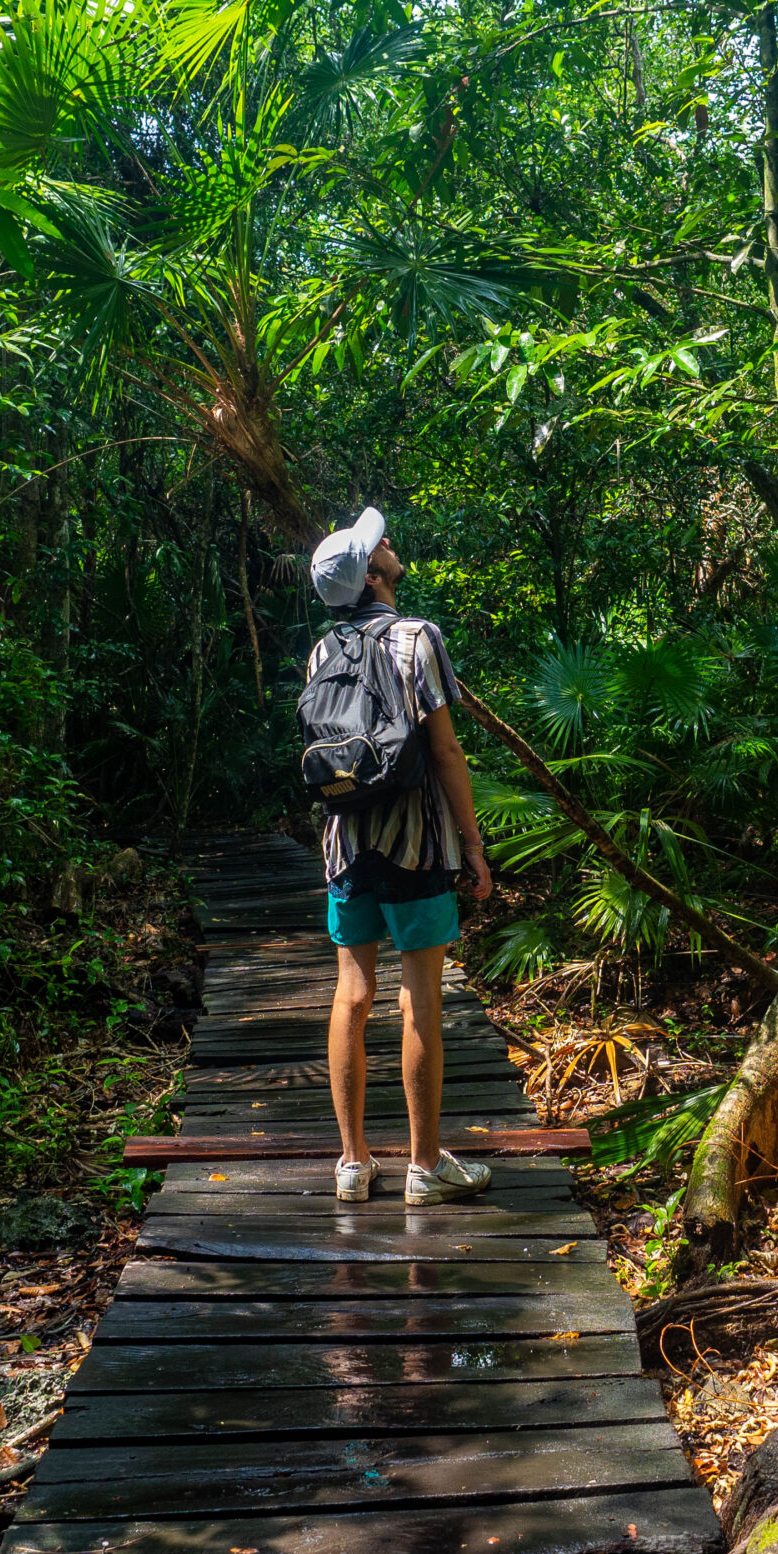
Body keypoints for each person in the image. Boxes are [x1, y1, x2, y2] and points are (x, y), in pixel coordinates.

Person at [306, 506, 496, 1204]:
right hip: (416, 844)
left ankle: (353, 1164)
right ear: (378, 574)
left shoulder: (322, 652)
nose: (386, 542)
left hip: (347, 847)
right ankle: (422, 1166)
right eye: (378, 543)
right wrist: (472, 845)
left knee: (351, 994)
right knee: (420, 1000)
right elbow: (444, 750)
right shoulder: (419, 638)